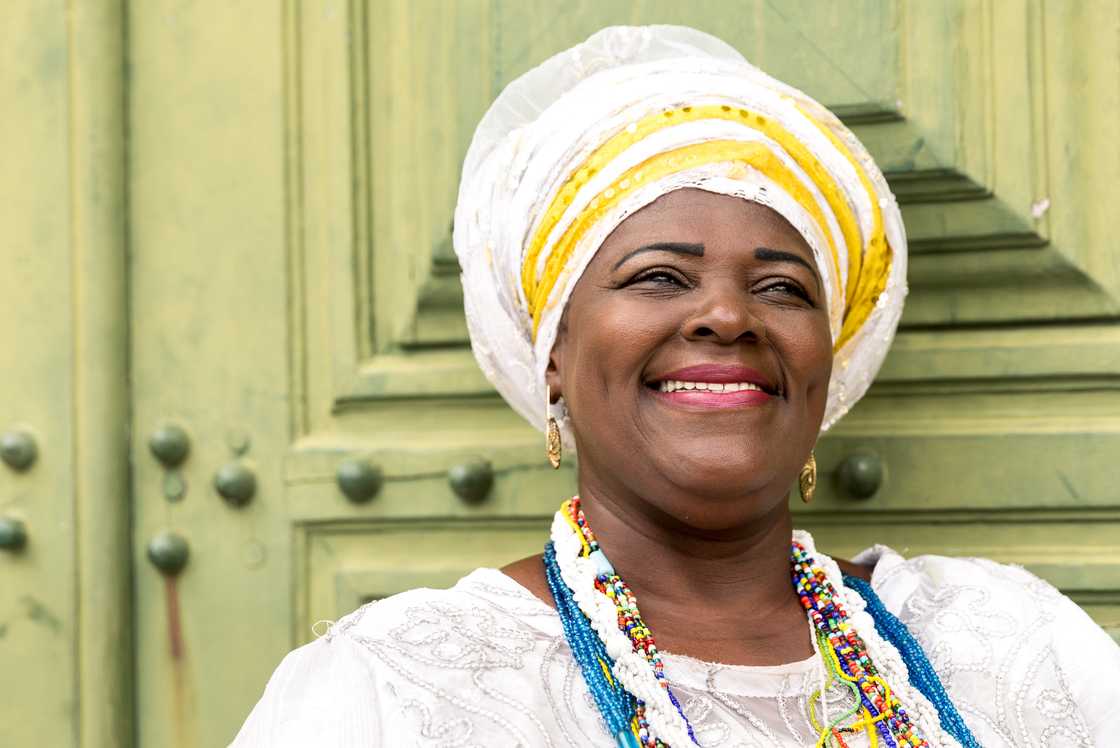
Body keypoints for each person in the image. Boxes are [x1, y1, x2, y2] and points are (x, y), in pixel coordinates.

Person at [232, 25, 1118, 747]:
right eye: (659, 276)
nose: (728, 317)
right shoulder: (402, 690)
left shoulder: (1004, 643)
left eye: (782, 288)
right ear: (553, 354)